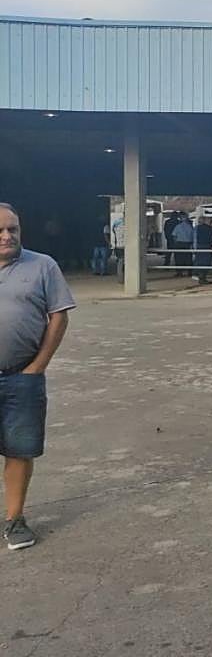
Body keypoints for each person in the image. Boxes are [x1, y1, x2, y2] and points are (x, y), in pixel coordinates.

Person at [0, 203, 76, 551]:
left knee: (19, 450)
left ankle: (15, 519)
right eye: (0, 230)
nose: (7, 236)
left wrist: (37, 366)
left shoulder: (42, 265)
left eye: (12, 229)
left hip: (22, 377)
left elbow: (58, 317)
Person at [192, 217, 212, 284]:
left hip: (199, 246)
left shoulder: (197, 228)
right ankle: (202, 277)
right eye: (211, 221)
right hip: (207, 247)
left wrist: (194, 247)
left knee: (199, 261)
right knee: (206, 263)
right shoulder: (211, 229)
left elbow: (195, 238)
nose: (211, 222)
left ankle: (199, 276)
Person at [172, 214, 195, 279]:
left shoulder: (177, 227)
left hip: (179, 244)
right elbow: (193, 236)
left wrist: (175, 242)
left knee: (179, 258)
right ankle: (189, 272)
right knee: (188, 258)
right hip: (188, 244)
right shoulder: (190, 227)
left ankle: (179, 272)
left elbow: (174, 236)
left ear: (181, 219)